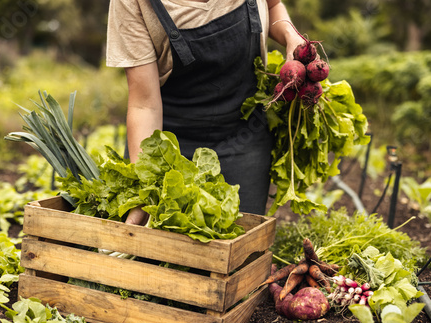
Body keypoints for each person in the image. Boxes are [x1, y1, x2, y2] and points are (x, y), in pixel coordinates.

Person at [106, 0, 304, 225]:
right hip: (170, 151)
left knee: (239, 251)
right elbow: (144, 105)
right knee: (155, 254)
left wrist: (290, 35)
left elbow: (272, 5)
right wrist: (145, 185)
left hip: (245, 140)